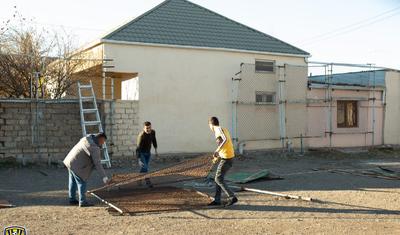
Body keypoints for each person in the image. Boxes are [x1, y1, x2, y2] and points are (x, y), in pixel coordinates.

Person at [63, 132, 110, 207]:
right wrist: (104, 177)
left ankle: (72, 199)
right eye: (103, 141)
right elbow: (97, 164)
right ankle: (82, 202)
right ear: (100, 139)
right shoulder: (94, 148)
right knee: (82, 182)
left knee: (72, 181)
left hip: (70, 161)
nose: (103, 143)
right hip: (78, 166)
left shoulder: (87, 138)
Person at [208, 116, 238, 206]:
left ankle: (232, 197)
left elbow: (225, 140)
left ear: (211, 124)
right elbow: (224, 144)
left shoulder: (218, 129)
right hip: (227, 156)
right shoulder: (223, 129)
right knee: (218, 178)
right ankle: (217, 200)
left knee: (218, 178)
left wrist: (217, 150)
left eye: (209, 125)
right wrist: (217, 155)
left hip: (227, 158)